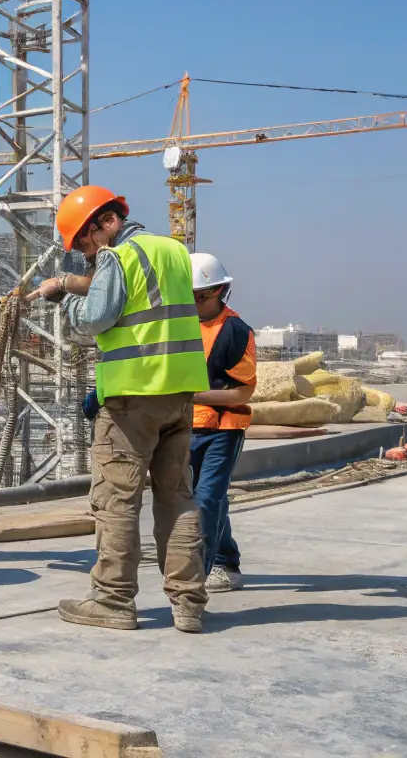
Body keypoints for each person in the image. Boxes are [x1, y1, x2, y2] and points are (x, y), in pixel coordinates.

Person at [28, 186, 210, 633]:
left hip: (132, 397)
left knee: (117, 501)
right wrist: (71, 282)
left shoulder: (117, 255)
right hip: (178, 394)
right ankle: (188, 602)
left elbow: (96, 318)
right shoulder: (173, 250)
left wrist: (67, 298)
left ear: (106, 223)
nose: (87, 253)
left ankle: (112, 600)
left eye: (85, 242)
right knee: (177, 498)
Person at [187, 253, 256, 594]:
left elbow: (243, 391)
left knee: (206, 501)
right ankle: (227, 561)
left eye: (200, 297)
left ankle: (193, 580)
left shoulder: (235, 331)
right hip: (186, 428)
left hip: (223, 430)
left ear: (218, 291)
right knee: (208, 499)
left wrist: (193, 396)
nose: (194, 304)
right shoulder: (180, 326)